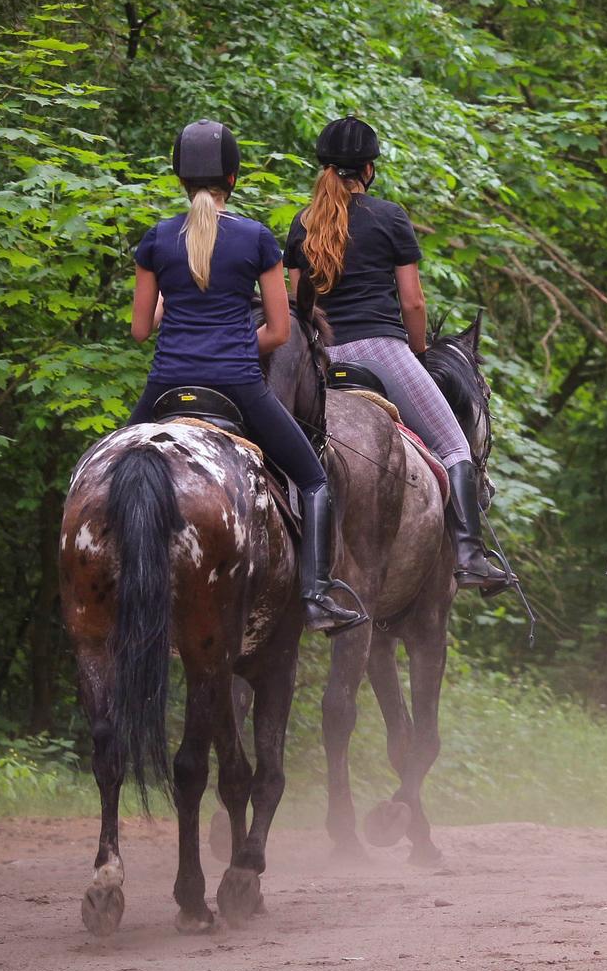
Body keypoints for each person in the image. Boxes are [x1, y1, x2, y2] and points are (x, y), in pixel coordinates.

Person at [128, 119, 366, 632]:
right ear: (232, 179)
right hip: (237, 384)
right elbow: (279, 333)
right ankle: (316, 595)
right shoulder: (257, 239)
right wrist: (233, 345)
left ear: (179, 179)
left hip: (165, 384)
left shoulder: (155, 240)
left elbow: (141, 331)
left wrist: (176, 307)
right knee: (314, 479)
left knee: (107, 469)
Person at [282, 116, 515, 594]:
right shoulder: (389, 217)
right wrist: (418, 351)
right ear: (368, 168)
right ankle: (470, 556)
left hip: (322, 358)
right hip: (380, 349)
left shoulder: (302, 223)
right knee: (453, 445)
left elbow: (300, 307)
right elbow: (413, 301)